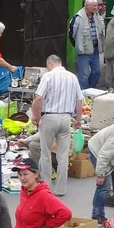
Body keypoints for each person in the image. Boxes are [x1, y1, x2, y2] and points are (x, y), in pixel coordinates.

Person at [31, 54, 83, 197]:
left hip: (49, 117)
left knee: (45, 154)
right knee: (63, 156)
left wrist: (36, 116)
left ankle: (47, 188)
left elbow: (39, 98)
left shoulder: (48, 76)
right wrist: (77, 119)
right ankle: (60, 189)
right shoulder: (73, 77)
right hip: (66, 118)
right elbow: (79, 101)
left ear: (50, 63)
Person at [68, 0, 106, 90]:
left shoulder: (97, 16)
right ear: (87, 6)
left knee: (97, 72)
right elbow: (72, 34)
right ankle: (83, 94)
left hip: (95, 50)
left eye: (96, 5)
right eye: (94, 5)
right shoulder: (78, 18)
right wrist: (78, 46)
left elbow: (101, 31)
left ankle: (89, 90)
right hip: (83, 52)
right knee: (83, 75)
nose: (96, 7)